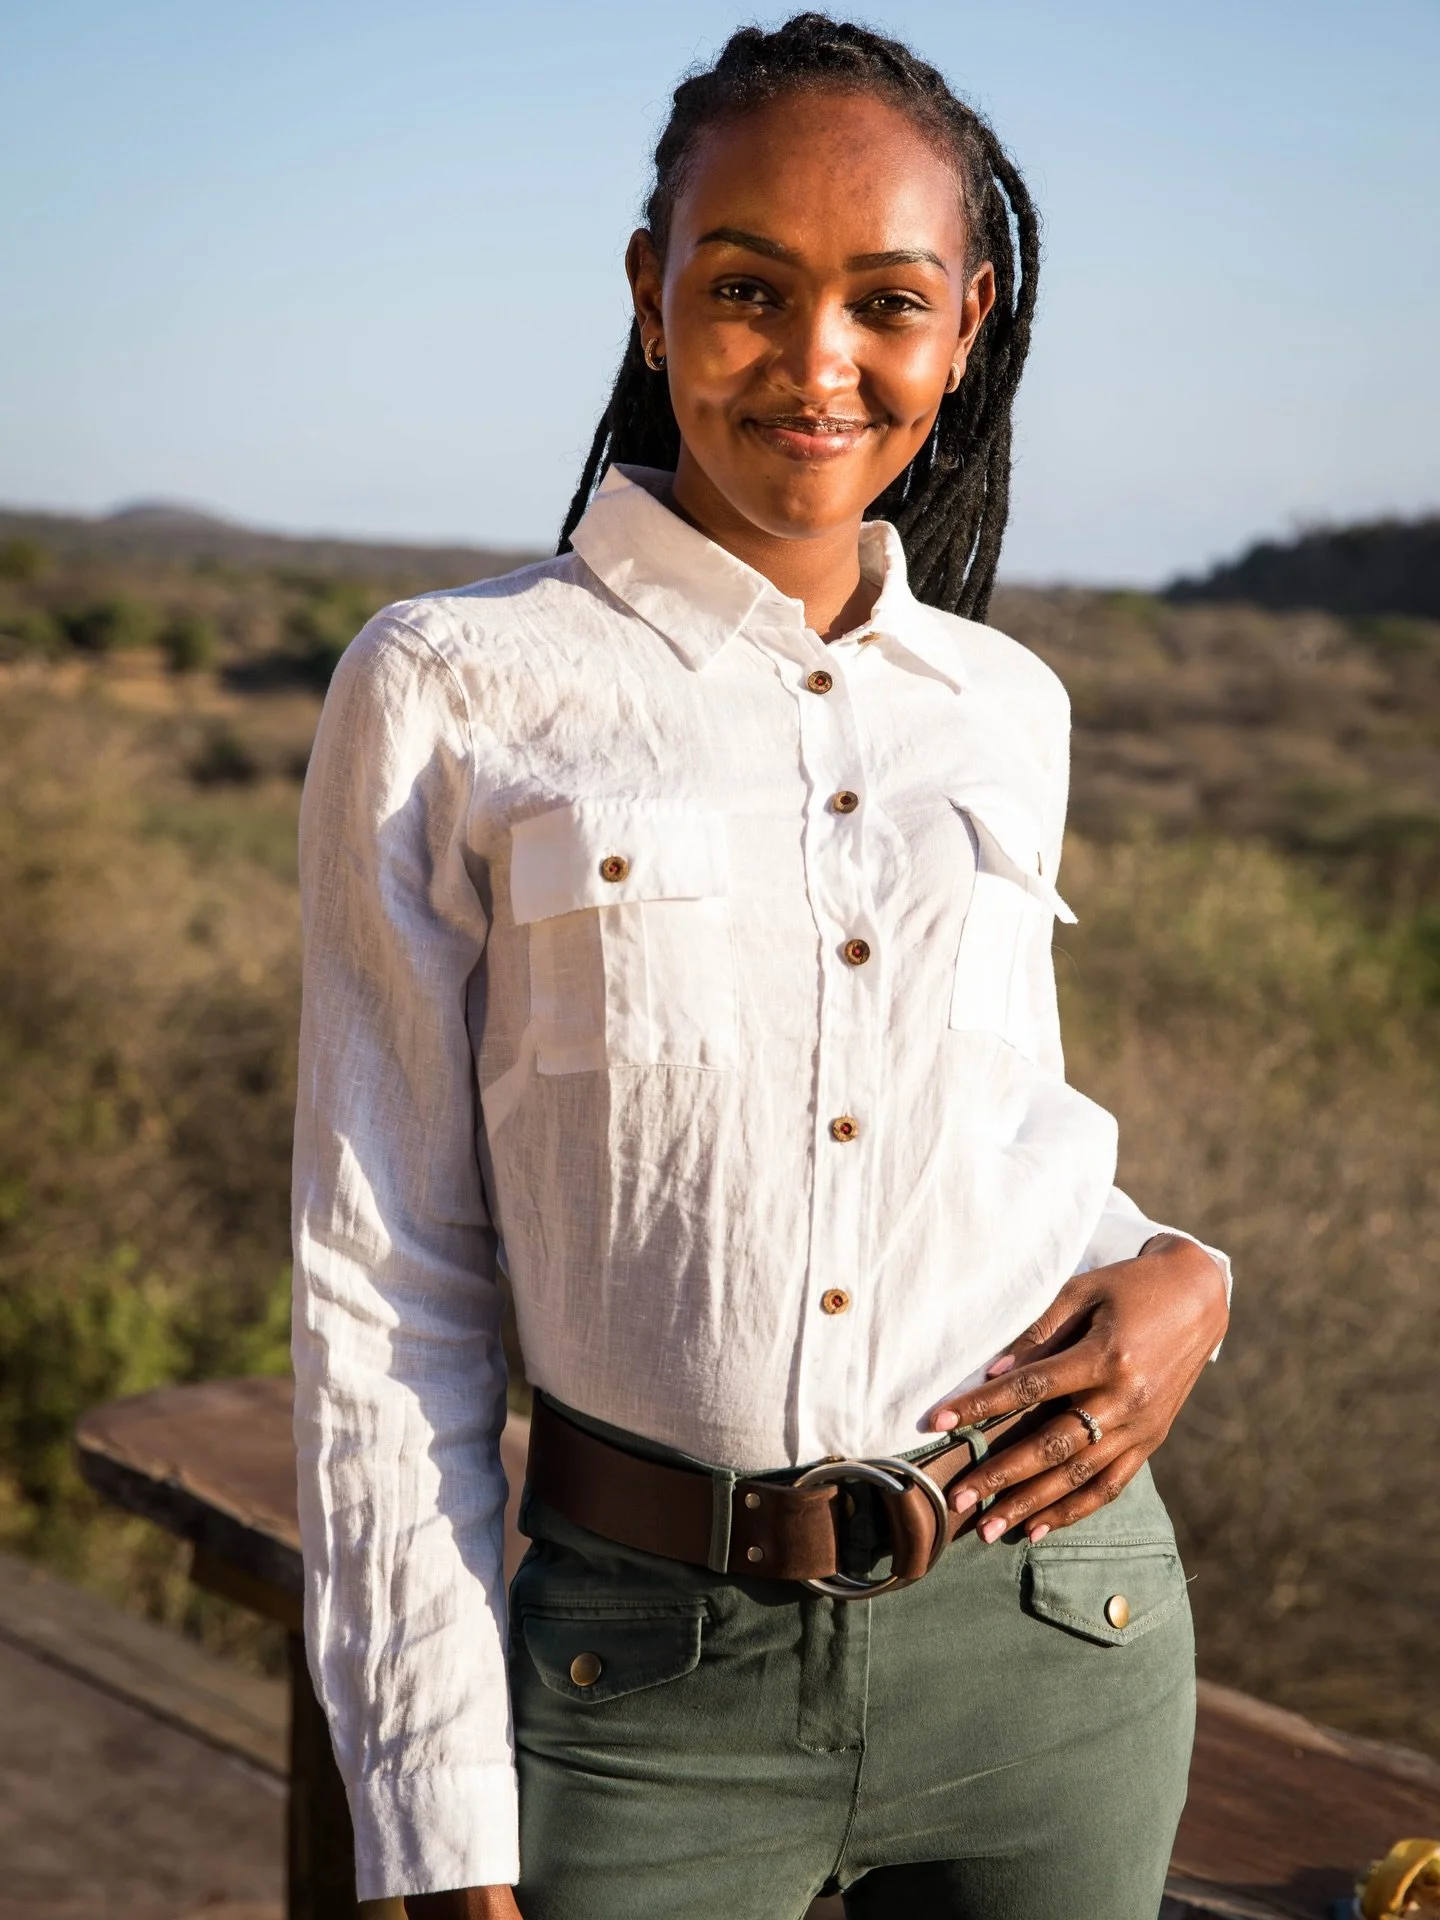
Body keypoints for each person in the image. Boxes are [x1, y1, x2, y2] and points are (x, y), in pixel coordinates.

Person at [291, 15, 1232, 1920]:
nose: (818, 362)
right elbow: (387, 1276)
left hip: (1060, 1636)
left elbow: (981, 1123)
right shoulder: (453, 687)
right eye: (748, 289)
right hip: (637, 1687)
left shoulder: (1004, 708)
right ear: (653, 298)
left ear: (962, 329)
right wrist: (430, 1792)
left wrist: (1186, 1270)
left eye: (886, 302)